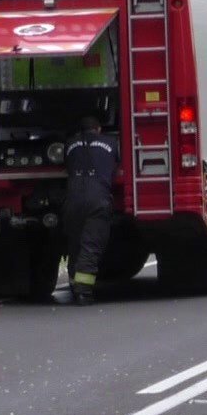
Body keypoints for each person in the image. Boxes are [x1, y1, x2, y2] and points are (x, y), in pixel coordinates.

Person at [62, 114, 118, 305]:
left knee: (75, 245)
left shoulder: (70, 144)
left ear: (80, 131)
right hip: (97, 200)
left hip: (73, 200)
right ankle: (83, 291)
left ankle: (73, 284)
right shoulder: (110, 143)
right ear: (99, 129)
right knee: (90, 246)